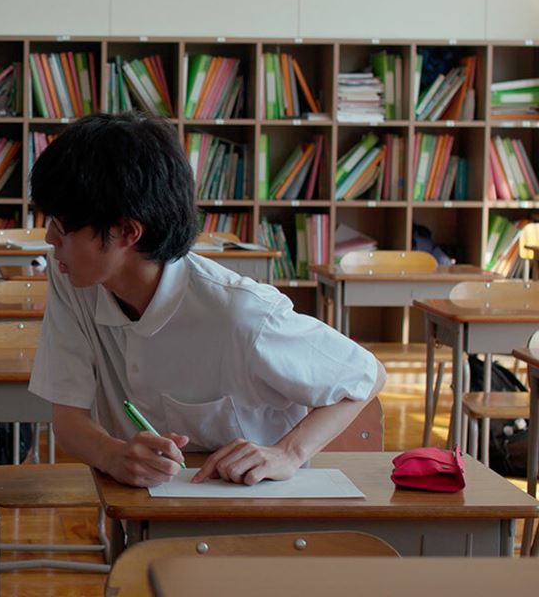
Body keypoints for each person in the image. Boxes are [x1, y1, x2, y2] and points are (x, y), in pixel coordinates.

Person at [27, 112, 386, 489]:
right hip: (145, 504)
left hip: (258, 504)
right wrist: (110, 454)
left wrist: (288, 453)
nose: (50, 238)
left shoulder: (240, 312)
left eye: (62, 227)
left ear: (128, 232)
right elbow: (68, 419)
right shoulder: (73, 280)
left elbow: (367, 373)